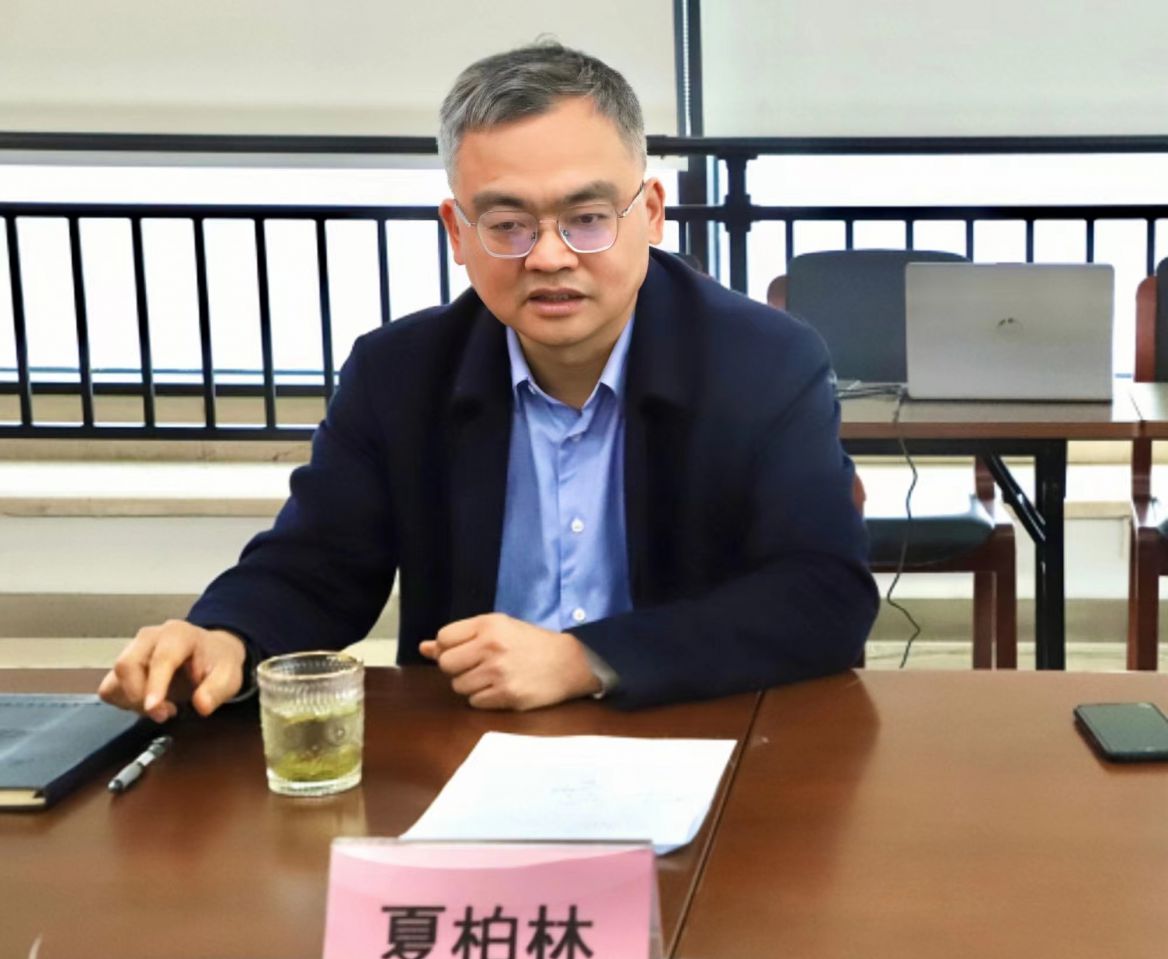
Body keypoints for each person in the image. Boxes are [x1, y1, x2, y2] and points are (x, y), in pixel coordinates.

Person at [99, 42, 878, 722]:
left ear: (650, 214)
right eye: (508, 225)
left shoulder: (763, 362)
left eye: (587, 217)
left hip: (696, 731)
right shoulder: (399, 375)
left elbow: (822, 595)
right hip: (465, 744)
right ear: (457, 232)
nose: (549, 257)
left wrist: (587, 659)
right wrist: (226, 635)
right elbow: (317, 567)